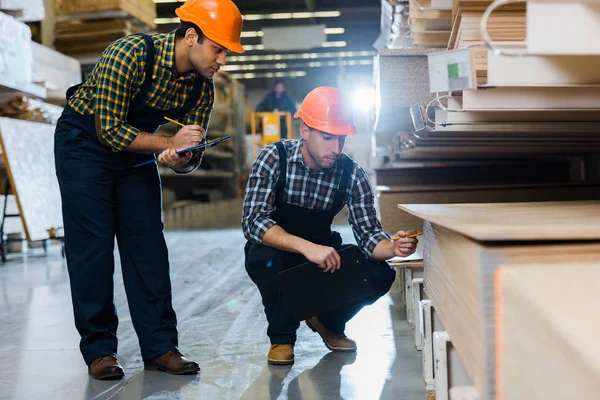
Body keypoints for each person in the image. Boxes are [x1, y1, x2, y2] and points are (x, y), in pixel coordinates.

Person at [53, 0, 244, 380]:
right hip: (84, 146)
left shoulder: (201, 89)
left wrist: (182, 157)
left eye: (227, 52)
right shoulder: (130, 54)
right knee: (91, 248)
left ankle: (160, 348)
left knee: (148, 248)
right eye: (218, 49)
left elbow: (191, 153)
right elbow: (108, 129)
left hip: (134, 154)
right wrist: (165, 144)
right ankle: (100, 351)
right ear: (191, 37)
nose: (222, 60)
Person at [242, 86, 418, 365]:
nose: (336, 149)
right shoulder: (275, 158)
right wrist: (306, 247)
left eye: (341, 139)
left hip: (323, 257)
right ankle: (282, 338)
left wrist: (393, 247)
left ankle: (329, 324)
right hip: (279, 251)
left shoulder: (351, 174)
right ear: (305, 131)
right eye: (327, 138)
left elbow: (369, 235)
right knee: (266, 258)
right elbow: (253, 222)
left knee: (379, 274)